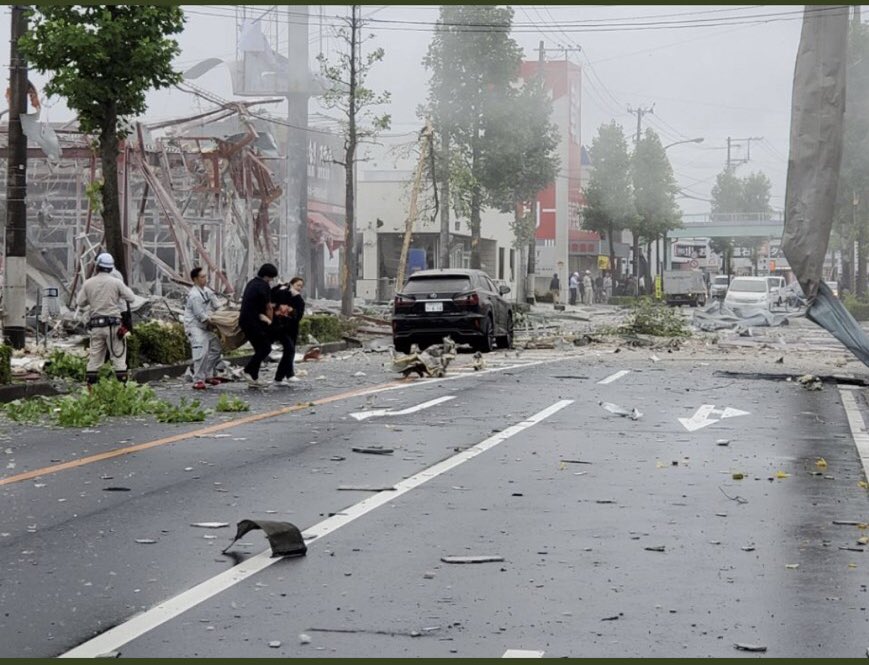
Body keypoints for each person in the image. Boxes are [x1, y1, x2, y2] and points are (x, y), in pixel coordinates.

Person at [76, 252, 136, 385]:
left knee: (94, 360)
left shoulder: (88, 283)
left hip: (96, 326)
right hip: (113, 326)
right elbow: (131, 298)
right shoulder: (116, 282)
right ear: (111, 267)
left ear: (97, 266)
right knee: (119, 359)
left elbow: (80, 302)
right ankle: (122, 392)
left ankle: (91, 393)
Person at [239, 263, 278, 387]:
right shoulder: (263, 286)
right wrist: (271, 322)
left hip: (245, 320)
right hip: (253, 322)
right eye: (271, 278)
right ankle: (247, 370)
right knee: (266, 347)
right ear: (268, 276)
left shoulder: (252, 283)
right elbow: (268, 307)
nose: (271, 280)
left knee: (259, 348)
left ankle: (253, 379)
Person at [183, 267, 222, 391]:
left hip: (205, 327)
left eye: (205, 276)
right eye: (202, 277)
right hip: (195, 327)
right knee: (201, 352)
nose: (205, 279)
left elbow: (217, 305)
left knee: (217, 348)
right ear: (195, 279)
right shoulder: (194, 295)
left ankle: (208, 374)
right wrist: (218, 323)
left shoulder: (206, 291)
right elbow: (201, 315)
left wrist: (226, 314)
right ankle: (198, 379)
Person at [270, 276, 306, 385]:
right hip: (280, 327)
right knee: (289, 350)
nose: (299, 288)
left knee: (290, 351)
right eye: (297, 285)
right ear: (291, 284)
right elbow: (274, 300)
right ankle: (279, 377)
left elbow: (298, 314)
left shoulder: (297, 297)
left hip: (292, 328)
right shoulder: (282, 293)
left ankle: (289, 374)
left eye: (301, 286)